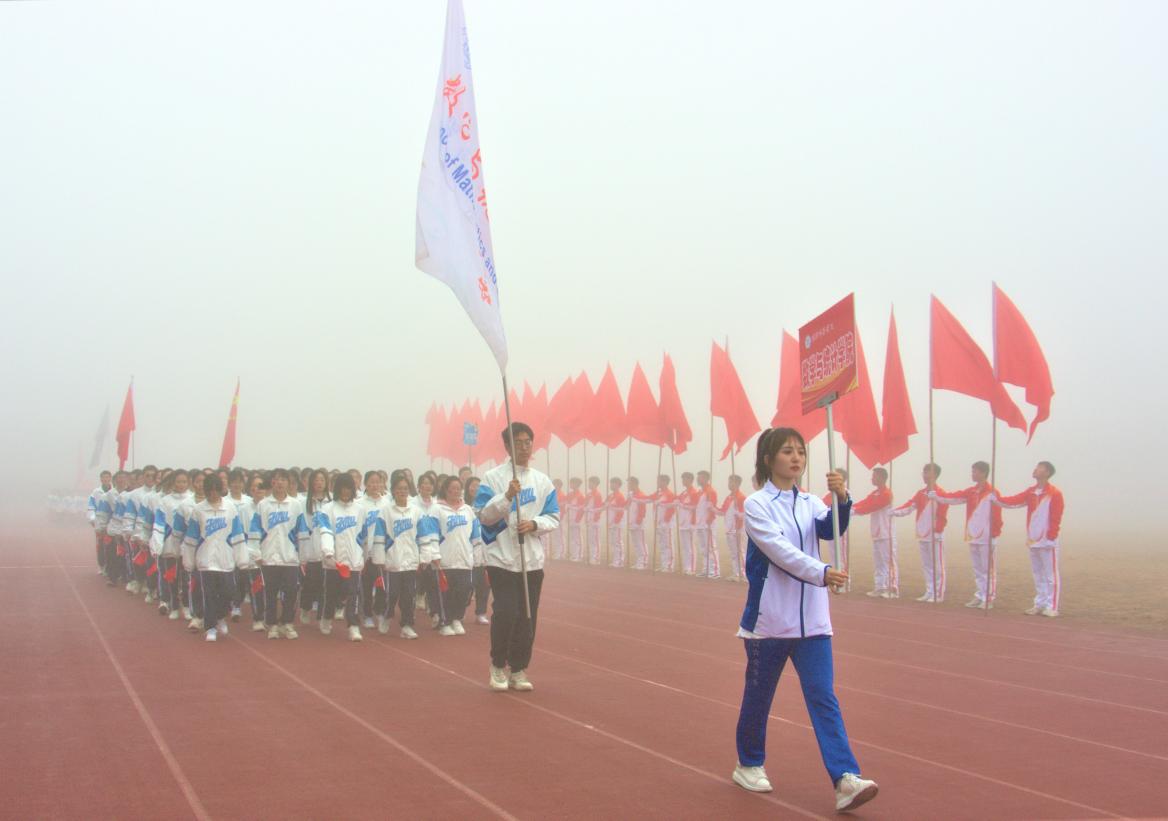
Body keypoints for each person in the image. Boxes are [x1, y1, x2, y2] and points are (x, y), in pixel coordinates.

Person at [732, 427, 877, 813]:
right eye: (787, 451)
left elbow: (830, 529)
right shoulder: (757, 505)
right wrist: (822, 572)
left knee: (823, 697)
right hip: (770, 621)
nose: (796, 458)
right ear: (768, 459)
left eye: (800, 451)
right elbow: (780, 552)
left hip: (813, 622)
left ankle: (845, 777)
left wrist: (842, 498)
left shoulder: (812, 502)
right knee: (759, 697)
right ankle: (749, 763)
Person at [476, 422, 560, 692]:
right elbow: (484, 515)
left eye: (527, 442)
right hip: (501, 559)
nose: (524, 447)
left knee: (527, 616)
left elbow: (553, 517)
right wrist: (506, 496)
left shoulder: (542, 481)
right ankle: (497, 665)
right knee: (506, 612)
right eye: (518, 443)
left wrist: (534, 524)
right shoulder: (491, 478)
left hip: (531, 560)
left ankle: (518, 668)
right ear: (507, 446)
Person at [992, 461, 1065, 617]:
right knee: (1038, 573)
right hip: (1033, 539)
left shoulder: (1054, 493)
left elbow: (1056, 516)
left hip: (1047, 539)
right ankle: (1040, 603)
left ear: (1047, 473)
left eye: (1039, 468)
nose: (1035, 470)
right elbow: (1014, 501)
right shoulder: (1031, 492)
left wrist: (1051, 536)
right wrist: (997, 499)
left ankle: (1052, 606)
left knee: (1050, 574)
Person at [182, 474, 248, 643]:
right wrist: (188, 561)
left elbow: (238, 535)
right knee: (209, 595)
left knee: (228, 592)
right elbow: (191, 538)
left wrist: (242, 559)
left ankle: (220, 617)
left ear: (220, 490)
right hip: (206, 560)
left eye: (216, 490)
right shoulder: (198, 510)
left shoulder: (230, 508)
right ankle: (210, 627)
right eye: (209, 491)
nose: (213, 494)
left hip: (226, 559)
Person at [368, 472, 432, 638]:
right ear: (393, 491)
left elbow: (423, 536)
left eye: (405, 488)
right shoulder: (385, 512)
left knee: (409, 595)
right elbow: (379, 537)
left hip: (411, 562)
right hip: (392, 562)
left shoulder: (416, 512)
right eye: (399, 488)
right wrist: (379, 558)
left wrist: (425, 557)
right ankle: (386, 615)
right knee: (391, 594)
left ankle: (407, 625)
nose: (402, 491)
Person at [930, 461, 1001, 609]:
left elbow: (997, 515)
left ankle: (988, 598)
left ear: (983, 473)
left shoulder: (992, 493)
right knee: (978, 569)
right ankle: (980, 595)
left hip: (987, 537)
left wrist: (995, 533)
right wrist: (937, 496)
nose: (972, 474)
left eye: (975, 471)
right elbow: (952, 498)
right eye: (972, 471)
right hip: (973, 535)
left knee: (988, 569)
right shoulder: (971, 492)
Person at [251, 468, 309, 638]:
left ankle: (287, 623)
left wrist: (303, 556)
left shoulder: (295, 505)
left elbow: (302, 532)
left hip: (290, 557)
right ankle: (272, 624)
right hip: (268, 558)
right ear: (272, 482)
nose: (280, 483)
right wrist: (256, 554)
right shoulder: (263, 505)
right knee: (270, 593)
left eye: (284, 479)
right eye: (277, 479)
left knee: (291, 591)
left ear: (288, 483)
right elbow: (255, 531)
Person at [421, 476, 480, 637]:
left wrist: (478, 555)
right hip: (444, 560)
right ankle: (444, 622)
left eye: (458, 488)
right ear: (446, 490)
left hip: (464, 560)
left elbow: (476, 535)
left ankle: (457, 619)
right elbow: (432, 534)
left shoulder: (467, 510)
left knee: (463, 590)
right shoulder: (436, 509)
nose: (456, 491)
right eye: (452, 488)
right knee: (445, 593)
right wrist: (434, 554)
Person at [315, 473, 368, 641]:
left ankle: (353, 626)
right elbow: (325, 531)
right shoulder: (327, 509)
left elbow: (363, 535)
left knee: (353, 594)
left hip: (353, 562)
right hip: (334, 562)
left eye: (348, 489)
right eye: (342, 489)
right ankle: (326, 617)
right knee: (331, 594)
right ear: (337, 490)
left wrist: (363, 556)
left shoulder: (360, 510)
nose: (346, 492)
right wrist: (328, 552)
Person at [890, 463, 948, 602]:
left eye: (927, 473)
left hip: (935, 535)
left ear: (934, 475)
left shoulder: (941, 493)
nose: (924, 475)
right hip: (923, 534)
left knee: (937, 566)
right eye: (924, 472)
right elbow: (909, 506)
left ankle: (938, 593)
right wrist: (894, 512)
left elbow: (942, 514)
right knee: (927, 565)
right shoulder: (921, 493)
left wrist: (938, 530)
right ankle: (930, 591)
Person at [851, 467, 897, 599]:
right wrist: (850, 507)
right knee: (879, 562)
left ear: (882, 478)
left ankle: (892, 589)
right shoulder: (875, 493)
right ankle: (880, 587)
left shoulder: (887, 494)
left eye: (874, 476)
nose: (872, 478)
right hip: (877, 532)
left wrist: (854, 512)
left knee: (889, 562)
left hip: (886, 533)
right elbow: (865, 502)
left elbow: (872, 507)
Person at [299, 468, 329, 628]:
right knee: (311, 584)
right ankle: (305, 607)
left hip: (328, 552)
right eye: (316, 480)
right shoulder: (304, 503)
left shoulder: (331, 502)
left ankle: (322, 617)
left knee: (326, 586)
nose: (319, 483)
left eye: (322, 480)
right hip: (311, 550)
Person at [465, 477, 491, 624]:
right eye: (472, 485)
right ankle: (461, 610)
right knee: (468, 585)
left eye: (478, 486)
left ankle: (481, 612)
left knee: (484, 585)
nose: (475, 488)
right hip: (467, 551)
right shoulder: (462, 505)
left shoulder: (488, 506)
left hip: (485, 551)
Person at [718, 475, 747, 581]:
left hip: (738, 529)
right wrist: (711, 508)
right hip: (729, 529)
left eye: (732, 482)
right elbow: (722, 511)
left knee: (740, 551)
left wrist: (737, 513)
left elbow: (744, 514)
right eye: (729, 482)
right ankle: (736, 573)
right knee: (734, 553)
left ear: (738, 484)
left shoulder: (741, 497)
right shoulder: (729, 497)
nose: (729, 484)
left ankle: (743, 574)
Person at [694, 470, 720, 578]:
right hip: (700, 523)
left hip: (708, 524)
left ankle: (714, 571)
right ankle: (706, 569)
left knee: (710, 547)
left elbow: (713, 508)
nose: (698, 479)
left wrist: (710, 515)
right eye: (698, 477)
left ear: (706, 478)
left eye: (700, 477)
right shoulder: (700, 492)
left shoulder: (711, 491)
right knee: (703, 548)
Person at [87, 470, 113, 573]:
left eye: (107, 477)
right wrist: (92, 519)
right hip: (100, 522)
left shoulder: (114, 491)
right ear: (101, 479)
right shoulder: (96, 492)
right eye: (103, 477)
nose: (105, 479)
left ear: (110, 478)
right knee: (101, 545)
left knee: (111, 545)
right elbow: (91, 506)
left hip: (112, 522)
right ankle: (102, 565)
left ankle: (110, 566)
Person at [652, 474, 677, 572]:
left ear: (665, 482)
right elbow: (648, 498)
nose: (657, 483)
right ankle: (664, 564)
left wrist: (666, 520)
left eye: (659, 481)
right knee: (662, 544)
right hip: (658, 523)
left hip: (666, 524)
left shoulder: (670, 494)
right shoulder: (658, 493)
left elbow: (672, 508)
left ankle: (669, 565)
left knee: (668, 544)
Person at [626, 477, 651, 570]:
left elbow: (642, 510)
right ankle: (639, 561)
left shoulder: (641, 495)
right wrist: (628, 498)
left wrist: (638, 521)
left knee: (641, 542)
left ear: (634, 484)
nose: (628, 486)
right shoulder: (631, 495)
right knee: (636, 543)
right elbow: (626, 506)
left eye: (629, 484)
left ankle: (643, 562)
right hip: (631, 522)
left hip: (638, 523)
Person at [677, 472, 699, 575]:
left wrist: (682, 505)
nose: (683, 481)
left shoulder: (694, 493)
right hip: (682, 523)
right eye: (682, 479)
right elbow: (676, 500)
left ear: (690, 480)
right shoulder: (683, 493)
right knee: (685, 546)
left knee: (690, 546)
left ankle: (692, 568)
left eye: (685, 479)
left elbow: (695, 506)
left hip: (690, 523)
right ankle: (686, 567)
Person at [604, 477, 627, 568]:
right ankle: (615, 560)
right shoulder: (610, 496)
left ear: (618, 485)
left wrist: (616, 521)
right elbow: (603, 505)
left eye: (613, 483)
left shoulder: (620, 496)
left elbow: (621, 510)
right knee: (613, 542)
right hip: (610, 522)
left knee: (617, 542)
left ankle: (619, 561)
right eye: (611, 483)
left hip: (617, 523)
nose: (611, 485)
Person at [564, 477, 585, 562]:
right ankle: (573, 554)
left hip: (577, 519)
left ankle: (579, 555)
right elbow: (566, 505)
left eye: (572, 483)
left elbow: (581, 509)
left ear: (577, 484)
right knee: (572, 538)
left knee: (577, 538)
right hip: (570, 518)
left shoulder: (581, 496)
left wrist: (578, 520)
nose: (571, 484)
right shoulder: (569, 494)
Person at [548, 478, 566, 560]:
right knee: (555, 536)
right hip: (553, 517)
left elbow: (561, 507)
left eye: (555, 485)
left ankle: (561, 553)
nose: (554, 486)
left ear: (559, 486)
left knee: (560, 536)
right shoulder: (553, 494)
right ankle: (556, 552)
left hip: (560, 518)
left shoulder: (562, 495)